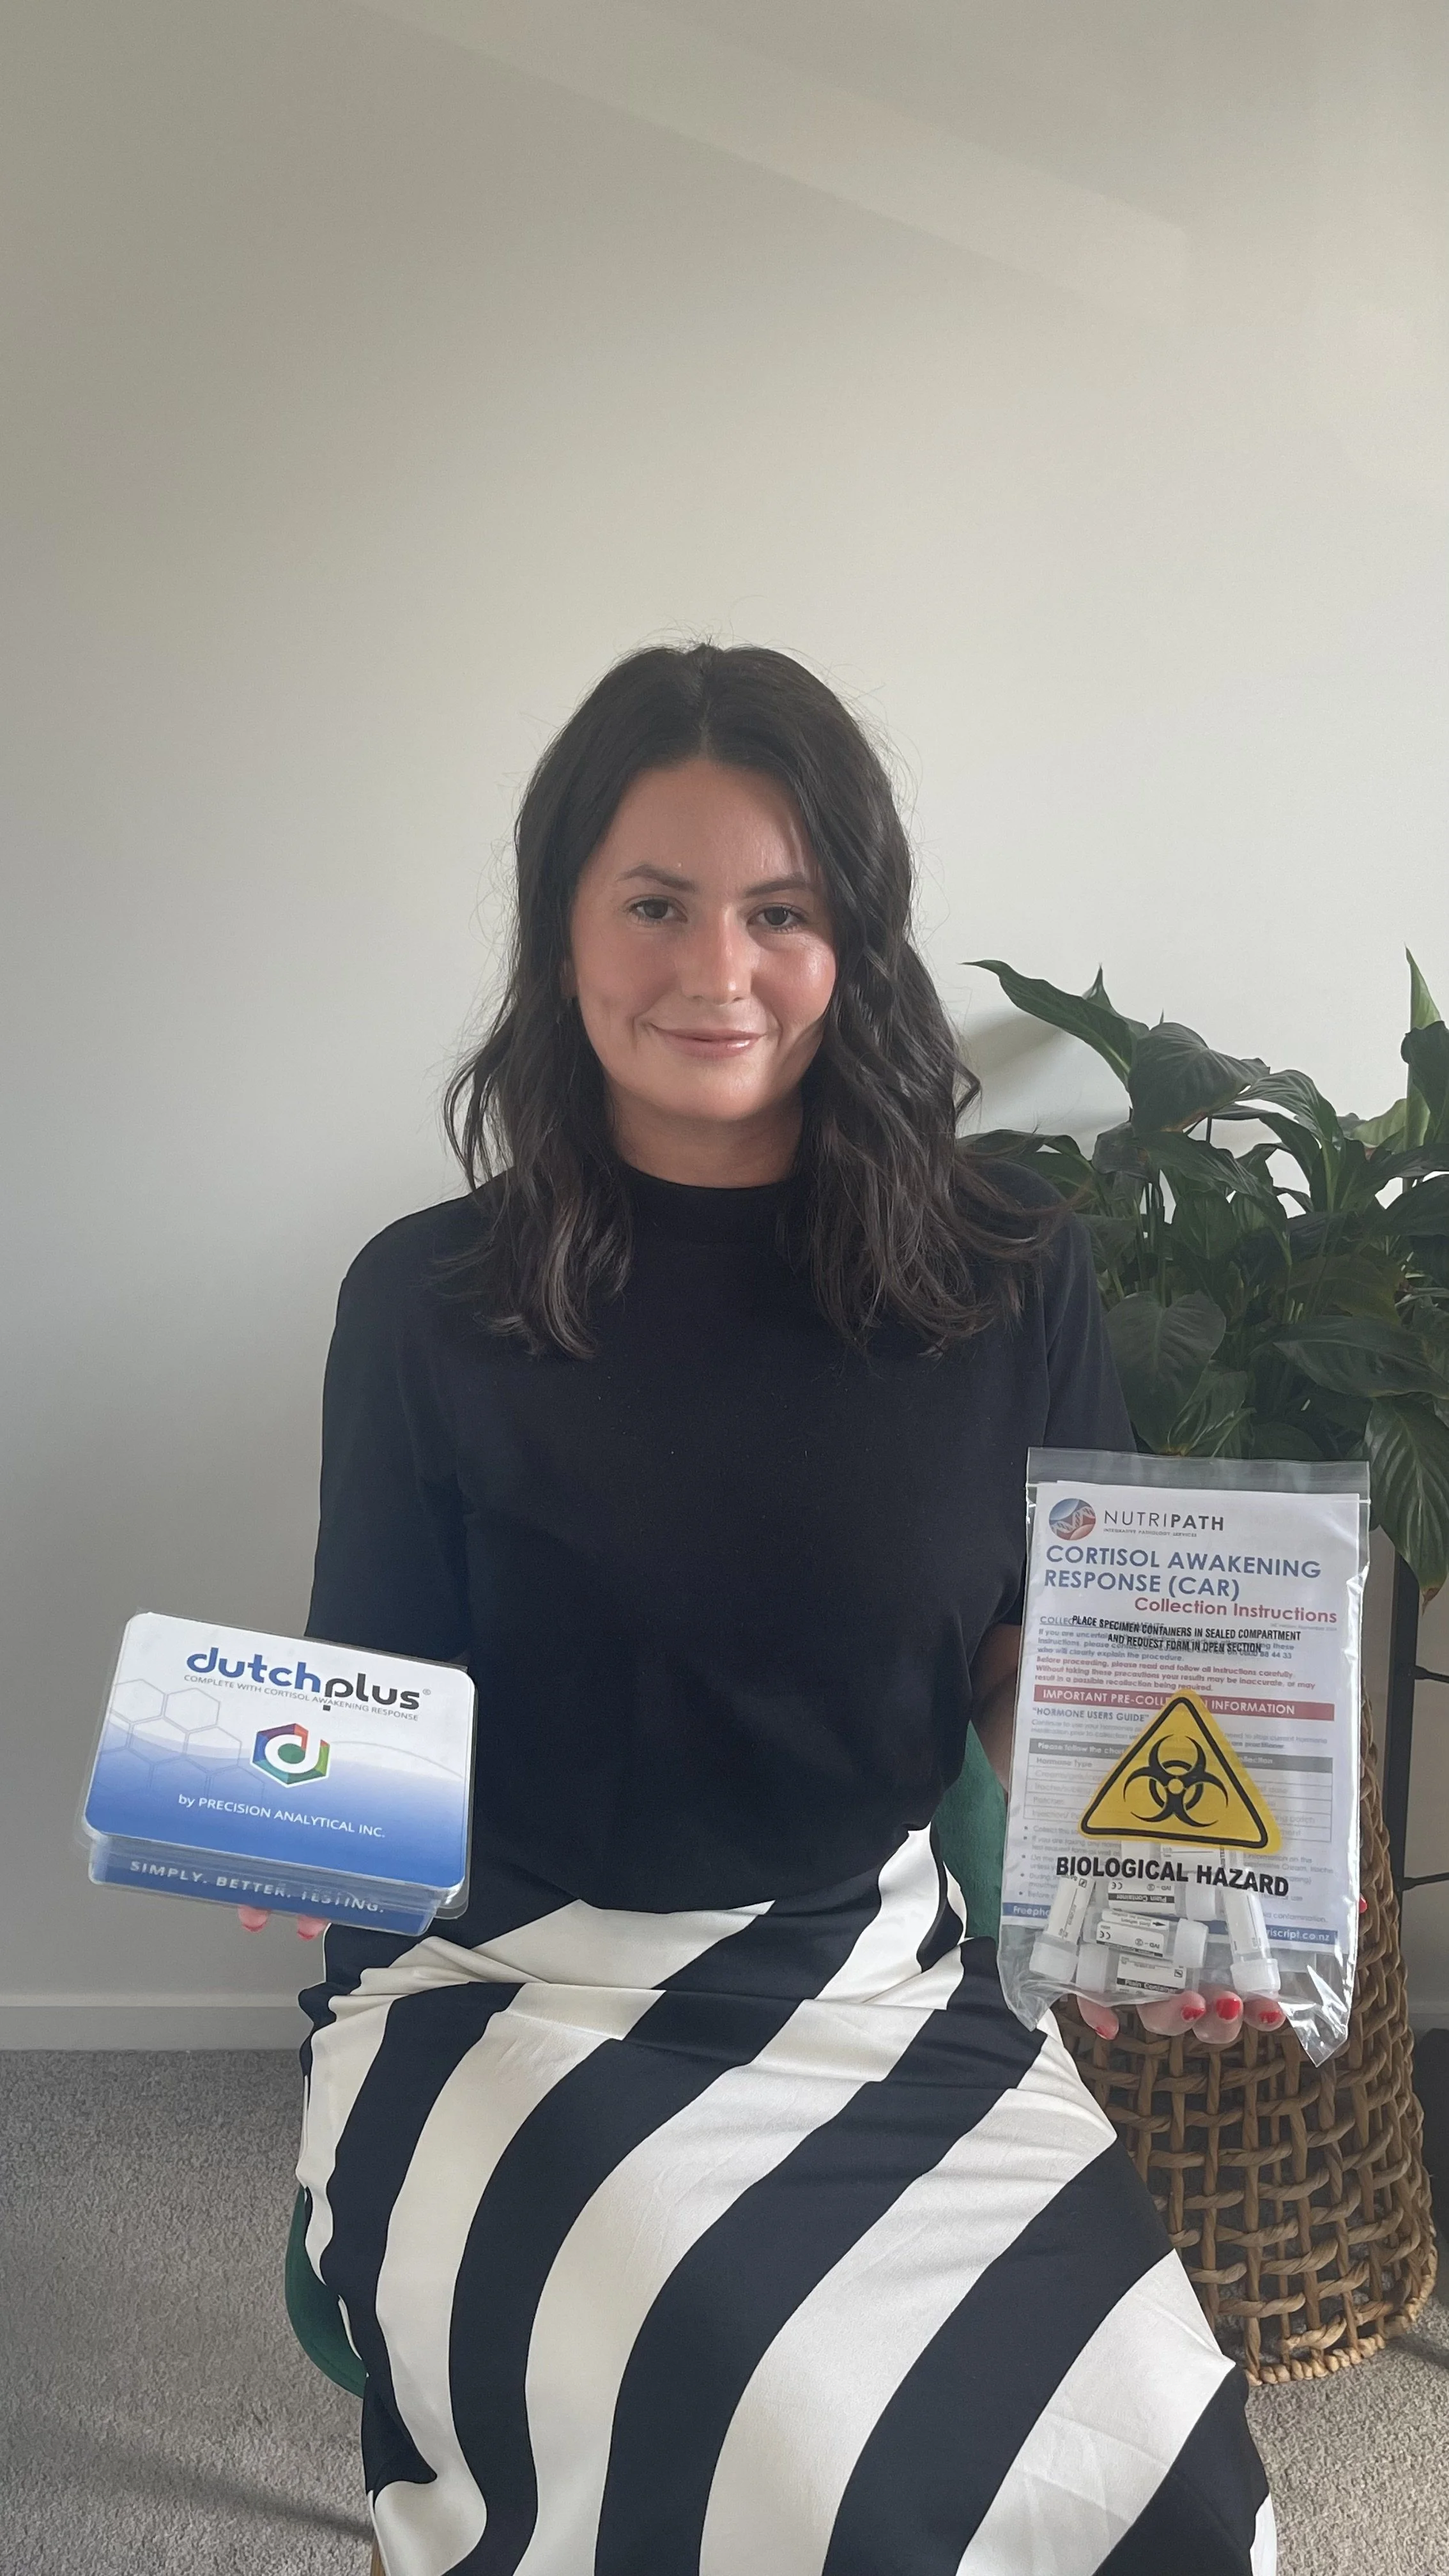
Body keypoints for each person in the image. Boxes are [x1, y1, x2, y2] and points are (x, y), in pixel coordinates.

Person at [263, 645, 1275, 2575]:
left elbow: (1056, 1671)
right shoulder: (423, 1298)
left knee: (1154, 2481)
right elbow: (368, 1695)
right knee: (729, 2457)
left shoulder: (1011, 1275)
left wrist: (1152, 1884)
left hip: (873, 1984)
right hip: (504, 1993)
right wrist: (271, 1808)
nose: (713, 972)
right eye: (654, 903)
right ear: (563, 927)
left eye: (779, 912)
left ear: (852, 943)